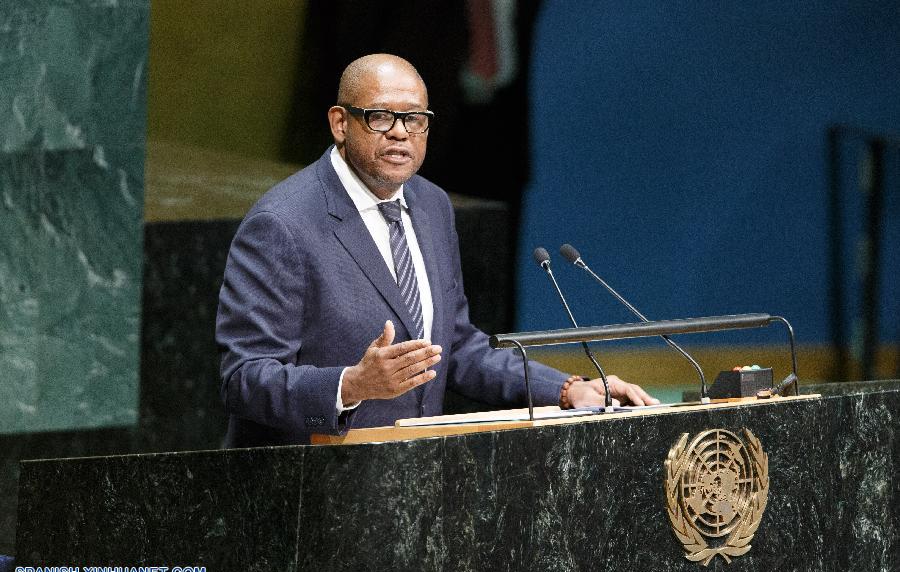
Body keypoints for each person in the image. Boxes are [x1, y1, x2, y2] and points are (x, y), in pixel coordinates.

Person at [215, 54, 656, 447]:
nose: (400, 135)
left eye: (415, 119)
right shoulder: (282, 224)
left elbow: (455, 346)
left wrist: (565, 390)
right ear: (340, 123)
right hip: (307, 495)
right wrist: (351, 384)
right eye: (380, 118)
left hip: (417, 487)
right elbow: (245, 379)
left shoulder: (430, 205)